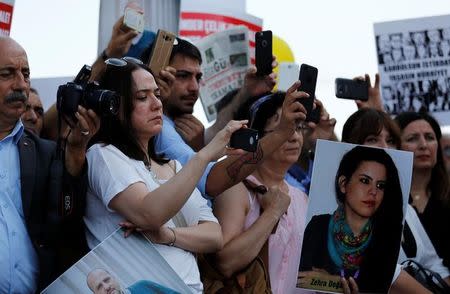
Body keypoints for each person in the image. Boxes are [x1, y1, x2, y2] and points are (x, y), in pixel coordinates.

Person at [84, 58, 246, 293]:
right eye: (142, 97)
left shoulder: (175, 167)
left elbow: (214, 236)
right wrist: (205, 156)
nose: (157, 104)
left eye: (157, 94)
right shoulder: (103, 155)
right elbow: (149, 214)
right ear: (114, 107)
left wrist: (168, 235)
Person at [0, 36, 100, 292]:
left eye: (25, 74)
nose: (21, 85)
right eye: (7, 74)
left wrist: (76, 151)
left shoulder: (45, 153)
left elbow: (68, 219)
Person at [149, 37, 306, 198]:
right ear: (156, 75)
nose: (194, 87)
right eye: (183, 76)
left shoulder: (175, 125)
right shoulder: (158, 129)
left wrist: (247, 91)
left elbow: (214, 134)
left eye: (198, 78)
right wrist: (280, 133)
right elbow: (209, 180)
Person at [212, 92, 318, 293]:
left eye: (298, 128)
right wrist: (272, 213)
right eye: (283, 128)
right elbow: (225, 263)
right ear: (257, 137)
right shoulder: (237, 189)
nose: (294, 136)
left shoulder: (302, 199)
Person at [342, 108, 450, 288]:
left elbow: (434, 264)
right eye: (373, 139)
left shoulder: (406, 209)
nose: (385, 147)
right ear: (350, 146)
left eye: (391, 140)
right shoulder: (343, 215)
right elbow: (387, 274)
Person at [299, 145, 404, 293]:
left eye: (380, 185)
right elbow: (302, 278)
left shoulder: (387, 235)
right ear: (343, 184)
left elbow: (377, 287)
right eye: (365, 181)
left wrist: (330, 281)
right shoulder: (318, 225)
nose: (373, 192)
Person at [395, 111, 450, 269]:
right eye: (412, 139)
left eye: (430, 137)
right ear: (396, 146)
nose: (423, 145)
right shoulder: (382, 199)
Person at [86, 268, 179, 294]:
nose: (106, 287)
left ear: (114, 278)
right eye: (99, 287)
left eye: (107, 280)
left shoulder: (142, 285)